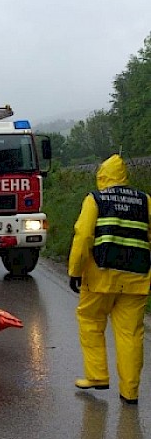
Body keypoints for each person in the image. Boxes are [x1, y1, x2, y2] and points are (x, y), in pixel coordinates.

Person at [68, 154, 151, 405]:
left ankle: (97, 375)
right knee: (130, 335)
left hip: (99, 277)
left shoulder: (96, 199)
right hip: (137, 278)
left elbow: (83, 236)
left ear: (102, 175)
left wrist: (75, 270)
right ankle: (130, 392)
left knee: (91, 322)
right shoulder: (145, 200)